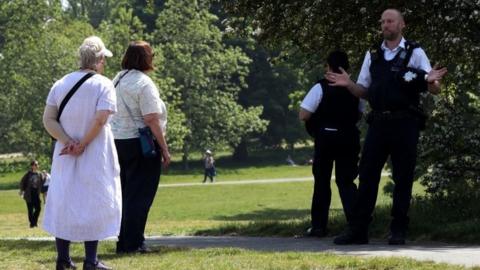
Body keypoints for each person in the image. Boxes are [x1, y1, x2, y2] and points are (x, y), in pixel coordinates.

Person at [326, 9, 448, 245]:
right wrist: (348, 84)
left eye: (390, 21)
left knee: (403, 177)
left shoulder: (415, 52)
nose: (385, 25)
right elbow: (363, 90)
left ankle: (398, 229)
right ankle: (358, 230)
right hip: (378, 123)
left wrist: (434, 82)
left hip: (405, 122)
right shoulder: (372, 54)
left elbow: (433, 86)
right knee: (367, 175)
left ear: (402, 24)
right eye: (382, 22)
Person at [43, 36, 121, 270]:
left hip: (64, 152)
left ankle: (63, 259)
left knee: (64, 199)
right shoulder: (104, 84)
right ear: (97, 60)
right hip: (95, 150)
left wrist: (68, 141)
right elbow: (100, 119)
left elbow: (48, 119)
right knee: (93, 199)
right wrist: (83, 144)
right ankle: (91, 259)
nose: (104, 64)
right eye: (103, 60)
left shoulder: (60, 83)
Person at [111, 41, 171, 254]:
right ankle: (134, 243)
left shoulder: (117, 79)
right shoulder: (144, 83)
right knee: (140, 196)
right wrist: (164, 148)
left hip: (118, 141)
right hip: (141, 143)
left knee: (126, 194)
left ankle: (123, 241)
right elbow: (151, 119)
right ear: (146, 58)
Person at [299, 51, 363, 237]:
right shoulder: (355, 90)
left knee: (322, 182)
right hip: (349, 138)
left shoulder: (320, 87)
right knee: (346, 182)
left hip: (325, 139)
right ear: (347, 67)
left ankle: (319, 226)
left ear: (328, 66)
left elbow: (304, 114)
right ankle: (355, 223)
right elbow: (359, 114)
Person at [19, 160, 45, 228]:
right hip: (29, 194)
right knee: (30, 210)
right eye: (35, 165)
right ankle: (32, 224)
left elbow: (43, 181)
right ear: (32, 166)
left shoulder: (39, 174)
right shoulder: (28, 174)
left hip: (36, 194)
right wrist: (21, 190)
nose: (37, 166)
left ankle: (34, 221)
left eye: (37, 164)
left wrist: (44, 176)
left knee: (38, 208)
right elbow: (22, 181)